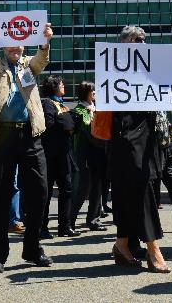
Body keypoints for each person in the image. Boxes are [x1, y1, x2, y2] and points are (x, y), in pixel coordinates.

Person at [0, 21, 54, 273]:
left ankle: (32, 249)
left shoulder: (29, 66)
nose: (15, 48)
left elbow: (42, 60)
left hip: (30, 135)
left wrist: (45, 41)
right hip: (2, 135)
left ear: (24, 45)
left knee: (40, 190)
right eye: (9, 43)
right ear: (3, 45)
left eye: (19, 43)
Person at [110, 25, 170, 274]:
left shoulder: (151, 67)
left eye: (144, 39)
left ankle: (122, 244)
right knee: (142, 184)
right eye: (136, 39)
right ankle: (152, 247)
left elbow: (166, 93)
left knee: (127, 189)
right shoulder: (112, 66)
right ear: (124, 44)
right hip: (124, 131)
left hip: (147, 131)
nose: (142, 43)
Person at [40, 74, 77, 237]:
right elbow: (50, 125)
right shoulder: (47, 103)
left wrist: (65, 118)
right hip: (51, 154)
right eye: (61, 84)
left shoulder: (60, 104)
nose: (64, 86)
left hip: (63, 153)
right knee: (46, 192)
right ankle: (42, 227)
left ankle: (65, 226)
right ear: (53, 86)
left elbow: (72, 125)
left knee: (67, 189)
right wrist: (65, 117)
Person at [71, 81, 107, 232]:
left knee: (97, 186)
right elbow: (87, 127)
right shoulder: (79, 110)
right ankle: (69, 220)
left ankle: (93, 219)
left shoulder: (98, 108)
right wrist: (93, 114)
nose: (95, 93)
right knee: (83, 187)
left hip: (98, 151)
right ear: (86, 92)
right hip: (84, 152)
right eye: (93, 90)